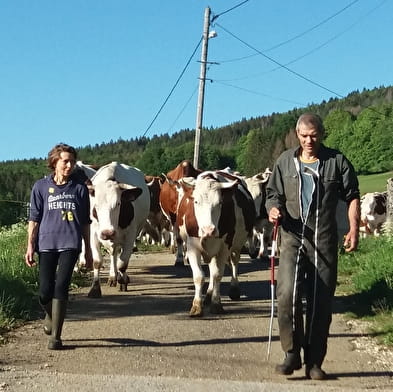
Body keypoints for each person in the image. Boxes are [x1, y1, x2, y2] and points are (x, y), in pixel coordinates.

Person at [265, 113, 360, 380]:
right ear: (297, 135)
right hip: (292, 237)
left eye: (314, 135)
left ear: (322, 133)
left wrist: (353, 228)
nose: (309, 140)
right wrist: (273, 209)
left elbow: (352, 195)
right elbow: (272, 194)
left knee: (320, 302)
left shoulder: (336, 161)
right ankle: (292, 353)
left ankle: (315, 362)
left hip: (324, 239)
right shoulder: (285, 162)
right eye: (304, 136)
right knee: (287, 296)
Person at [25, 143, 93, 350]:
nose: (69, 165)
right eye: (65, 161)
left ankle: (56, 336)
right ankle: (49, 314)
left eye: (72, 161)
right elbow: (34, 219)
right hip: (46, 244)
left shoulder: (79, 189)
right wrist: (30, 245)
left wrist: (88, 249)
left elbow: (84, 222)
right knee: (45, 291)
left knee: (61, 286)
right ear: (55, 162)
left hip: (70, 243)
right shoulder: (41, 187)